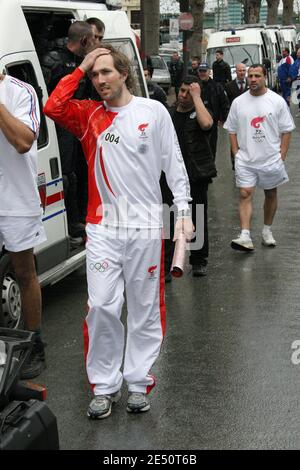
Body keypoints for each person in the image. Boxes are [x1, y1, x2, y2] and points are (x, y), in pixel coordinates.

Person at [44, 45, 193, 418]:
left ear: (124, 73)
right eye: (95, 76)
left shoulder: (152, 112)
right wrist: (81, 66)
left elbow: (173, 163)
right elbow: (54, 107)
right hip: (103, 228)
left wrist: (185, 211)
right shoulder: (88, 115)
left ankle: (139, 383)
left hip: (144, 226)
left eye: (106, 72)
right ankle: (105, 386)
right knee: (102, 307)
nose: (99, 81)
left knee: (144, 308)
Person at [0, 73, 46, 379]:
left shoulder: (19, 91)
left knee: (24, 272)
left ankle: (35, 344)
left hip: (16, 199)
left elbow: (23, 141)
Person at [224, 64, 295, 252]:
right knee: (245, 193)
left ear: (264, 77)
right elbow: (231, 129)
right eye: (250, 76)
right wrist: (236, 152)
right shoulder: (238, 102)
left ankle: (267, 230)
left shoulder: (276, 101)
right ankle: (245, 235)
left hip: (270, 158)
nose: (253, 79)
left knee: (270, 193)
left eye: (257, 76)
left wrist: (282, 155)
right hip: (246, 159)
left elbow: (287, 130)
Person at [41, 21, 96, 242]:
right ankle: (70, 224)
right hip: (57, 128)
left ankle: (81, 220)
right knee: (65, 175)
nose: (94, 43)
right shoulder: (53, 60)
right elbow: (42, 98)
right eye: (92, 39)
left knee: (80, 174)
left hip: (79, 128)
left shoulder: (88, 63)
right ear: (84, 40)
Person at [165, 76, 216, 277]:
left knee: (197, 217)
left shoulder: (199, 112)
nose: (183, 95)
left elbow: (207, 125)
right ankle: (168, 264)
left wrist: (197, 98)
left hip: (196, 175)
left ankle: (199, 260)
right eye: (182, 90)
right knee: (168, 218)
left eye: (188, 92)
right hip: (170, 176)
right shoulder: (168, 114)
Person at [198, 62, 230, 161]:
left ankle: (210, 168)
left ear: (209, 72)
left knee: (211, 148)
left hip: (212, 123)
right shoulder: (195, 86)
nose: (202, 73)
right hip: (197, 123)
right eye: (200, 71)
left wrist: (223, 118)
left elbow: (224, 103)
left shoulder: (217, 87)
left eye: (204, 71)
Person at [225, 63, 248, 170]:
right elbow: (226, 103)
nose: (242, 72)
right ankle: (235, 163)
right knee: (235, 140)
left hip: (249, 118)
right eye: (240, 70)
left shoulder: (250, 83)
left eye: (244, 70)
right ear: (236, 72)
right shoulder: (229, 86)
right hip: (236, 119)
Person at [290, 47, 300, 117]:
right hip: (297, 81)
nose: (297, 54)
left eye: (299, 53)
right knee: (298, 96)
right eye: (297, 53)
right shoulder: (297, 61)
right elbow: (293, 69)